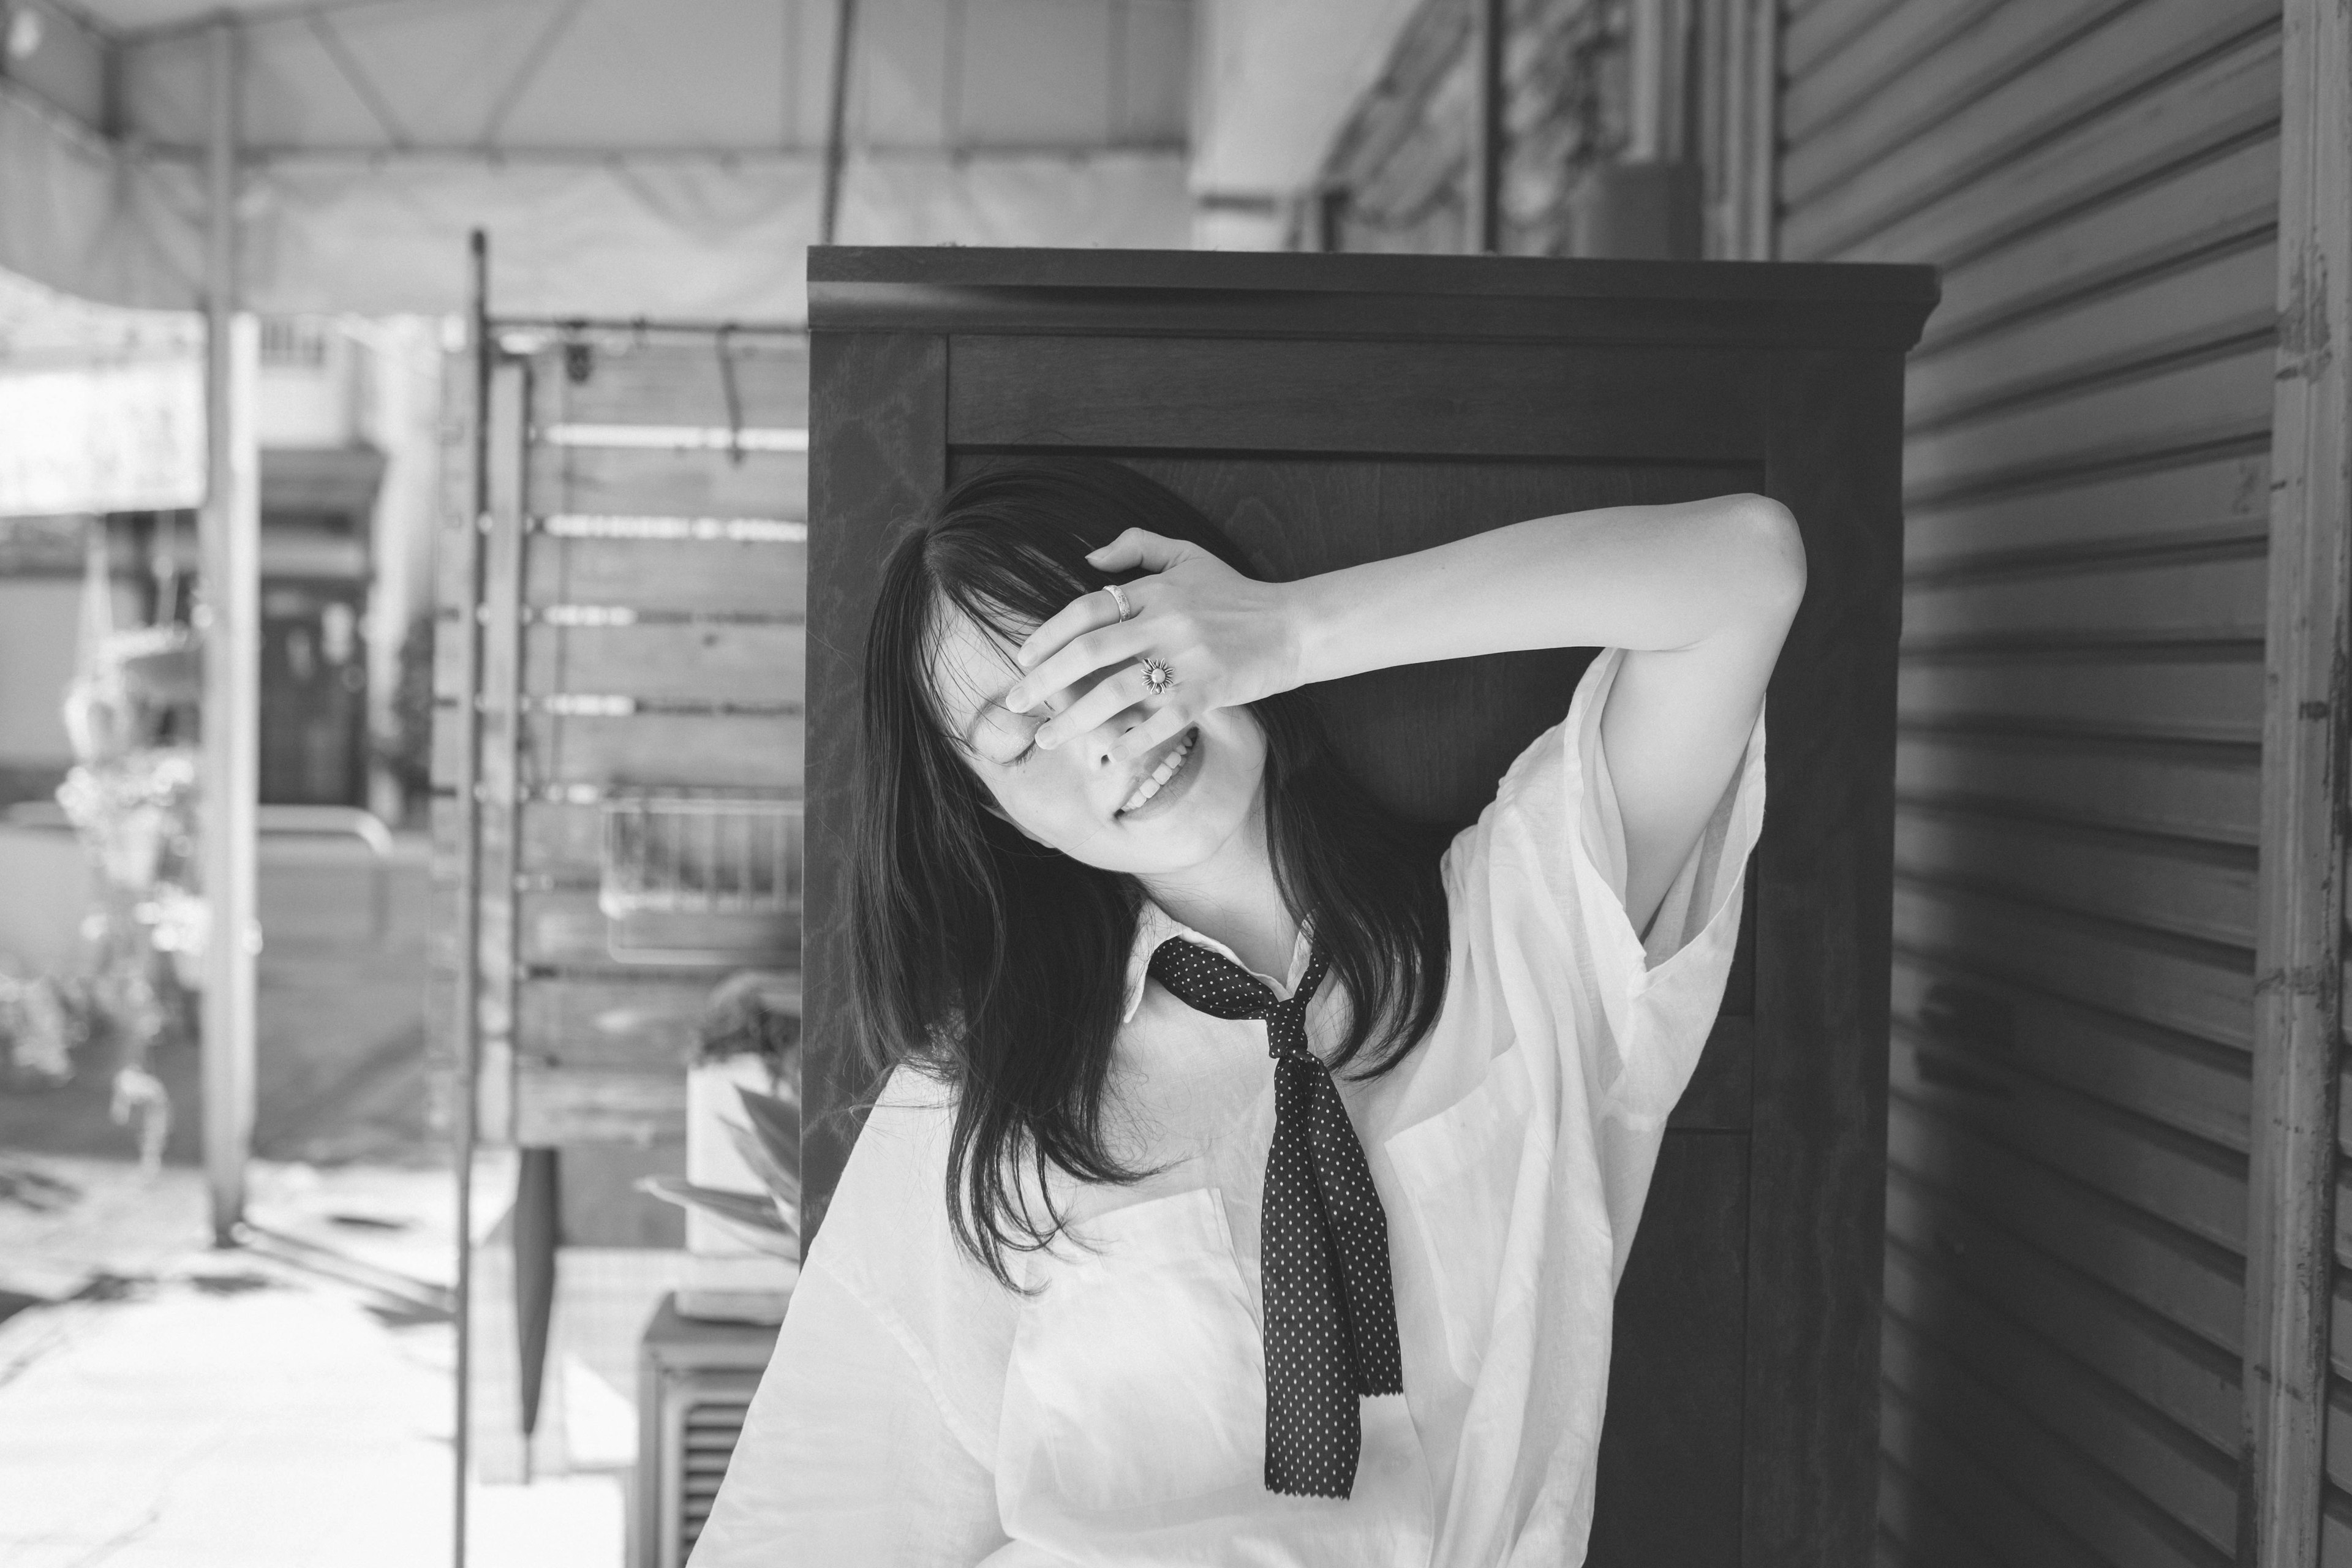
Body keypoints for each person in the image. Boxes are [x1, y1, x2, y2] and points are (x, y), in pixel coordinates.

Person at [691, 457, 1801, 1566]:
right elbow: (807, 1520)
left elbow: (1746, 567)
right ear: (1004, 822)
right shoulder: (975, 1113)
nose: (1105, 731)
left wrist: (1288, 634)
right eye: (1022, 735)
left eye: (1113, 652)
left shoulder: (1522, 928)